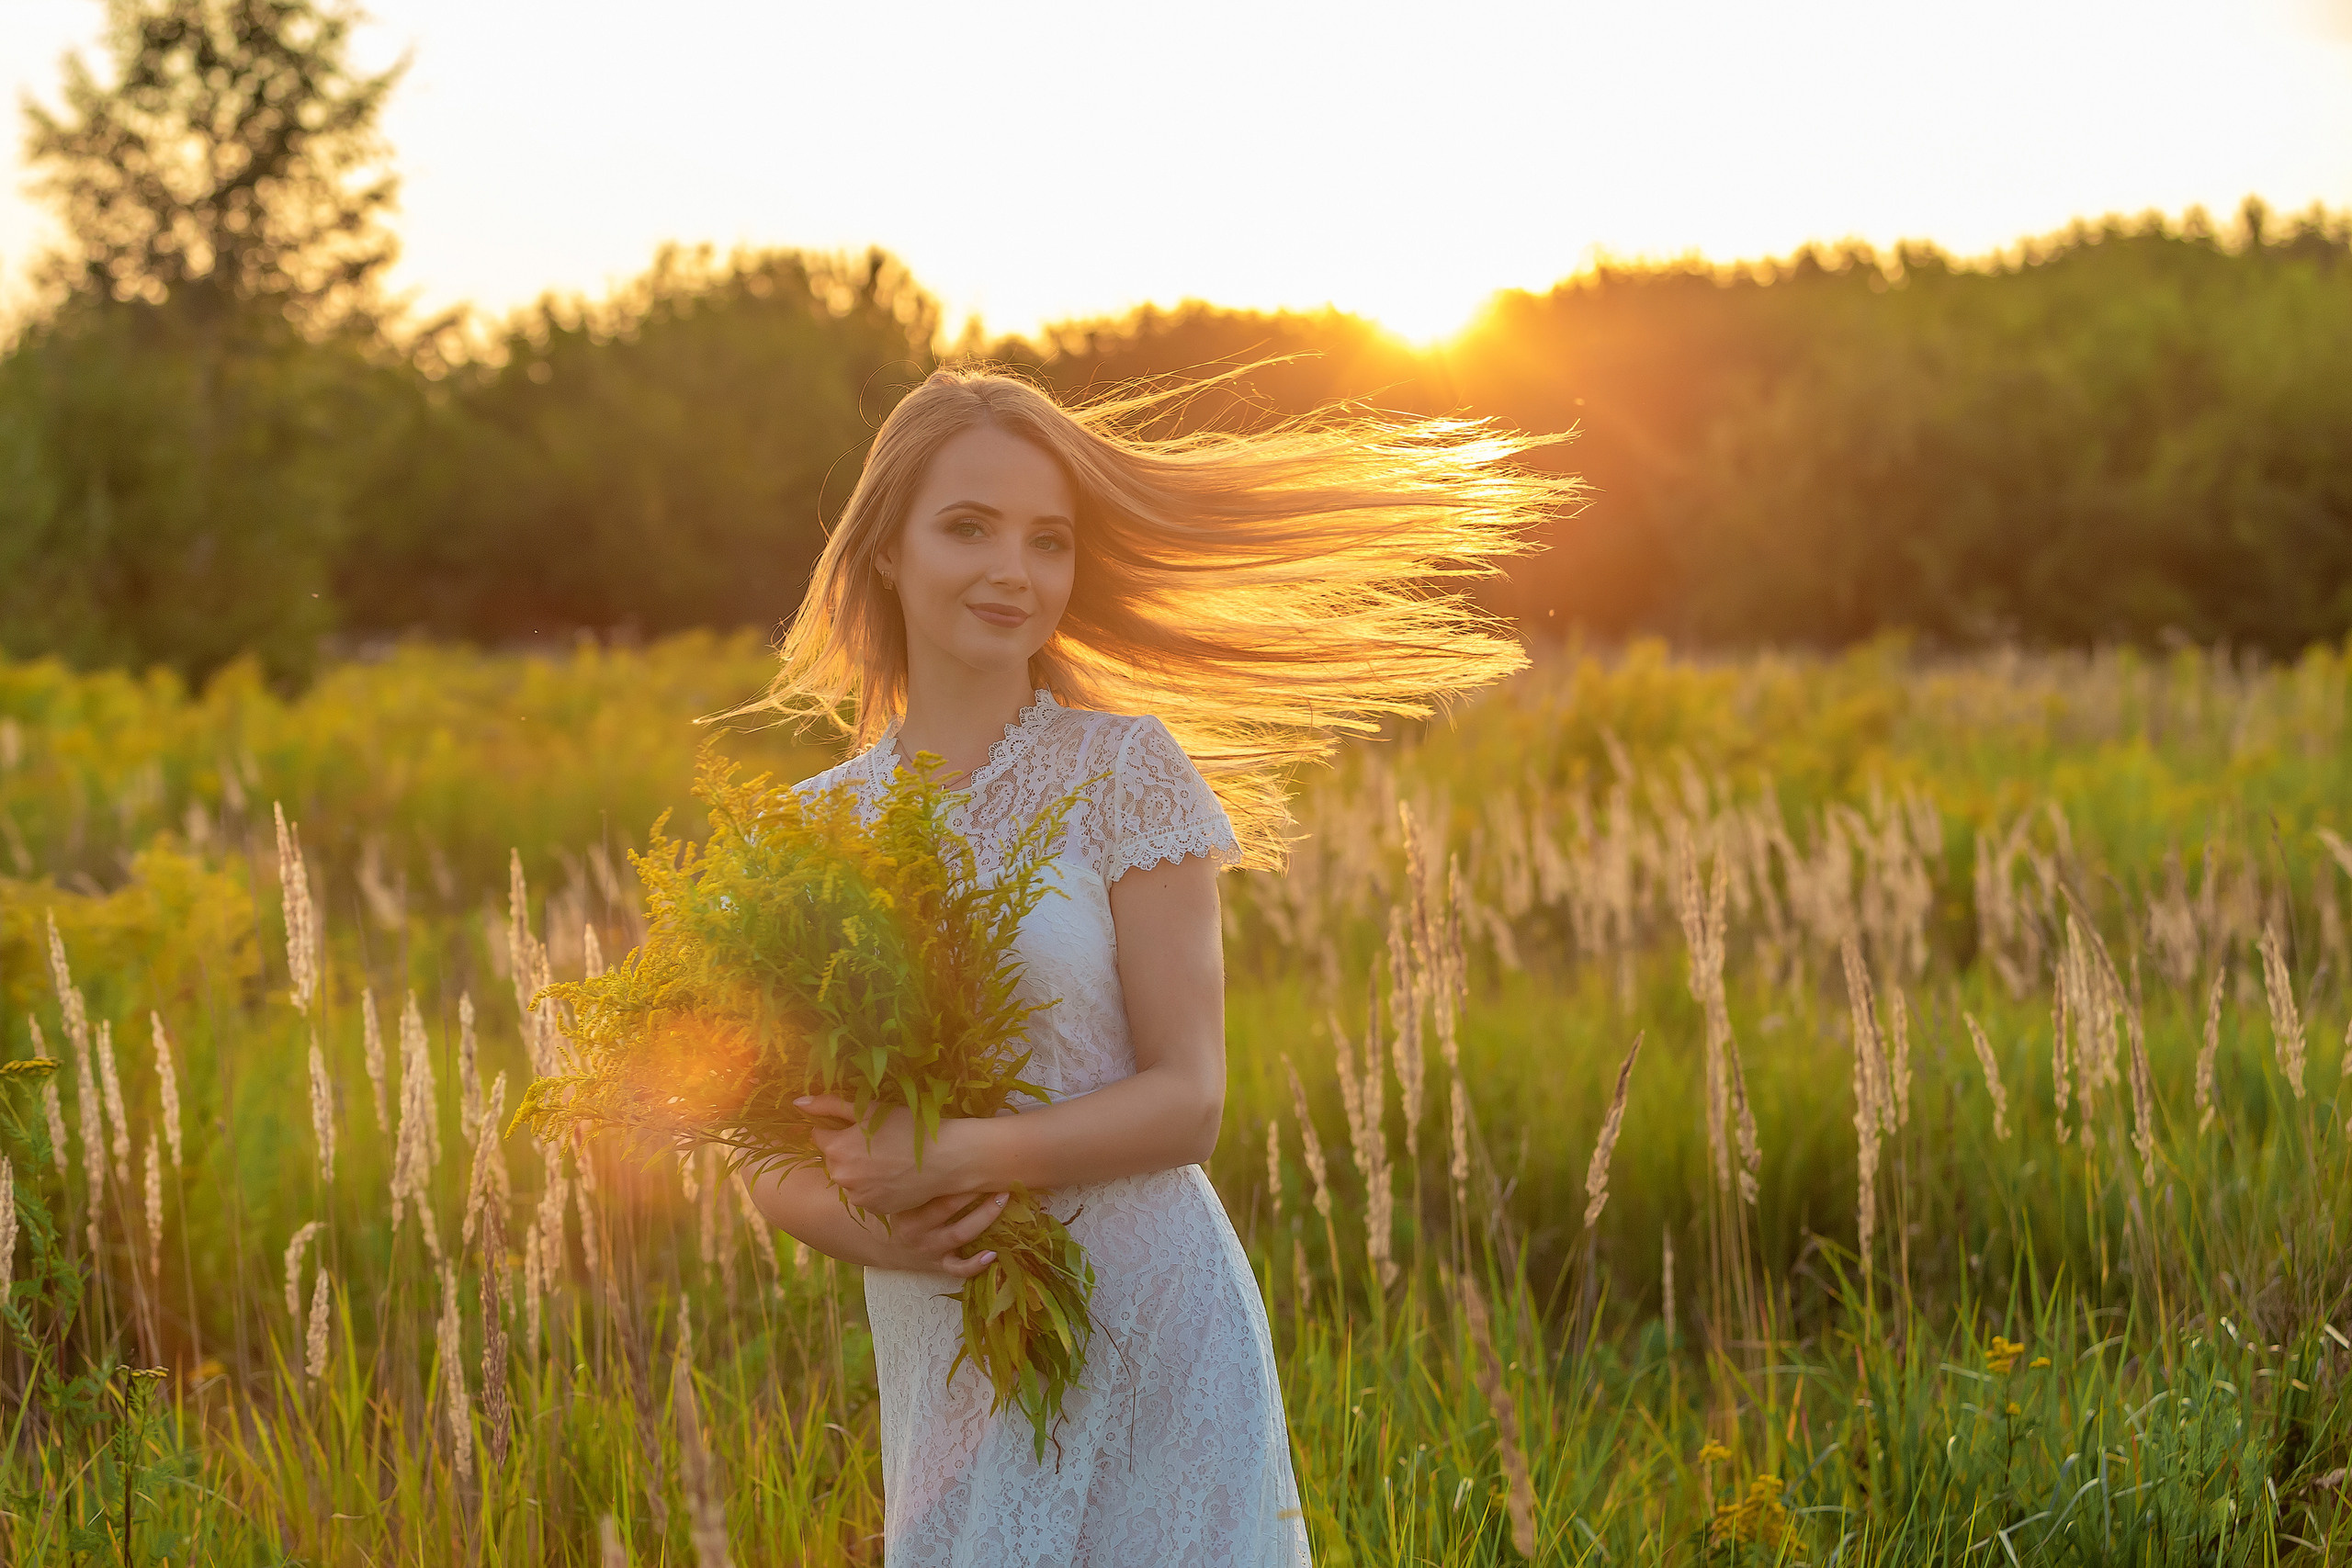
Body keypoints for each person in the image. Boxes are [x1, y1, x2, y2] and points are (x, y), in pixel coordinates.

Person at [742, 365, 1569, 1565]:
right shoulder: (803, 832)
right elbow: (760, 1152)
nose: (1011, 572)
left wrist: (954, 1154)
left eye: (1048, 540)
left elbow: (1190, 1100)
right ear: (883, 547)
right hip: (947, 1335)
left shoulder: (1125, 774)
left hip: (1153, 1316)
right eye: (968, 528)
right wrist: (882, 1234)